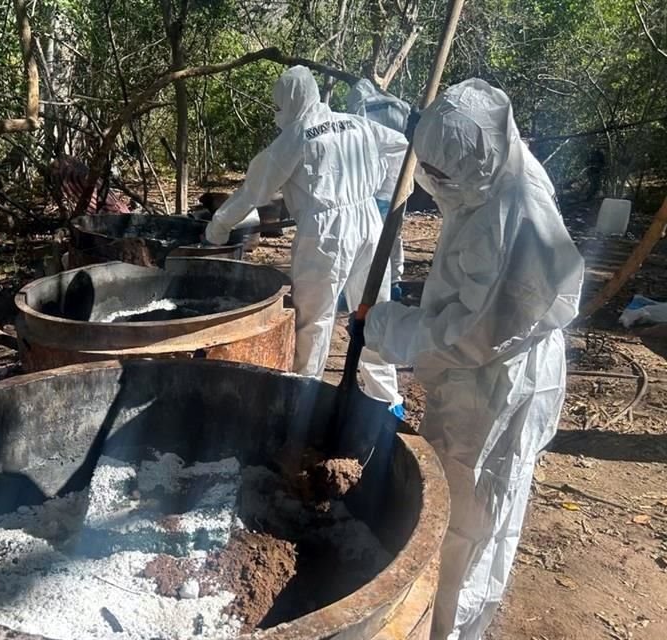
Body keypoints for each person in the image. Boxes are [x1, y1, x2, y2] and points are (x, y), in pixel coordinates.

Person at [363, 79, 585, 640]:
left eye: (442, 174)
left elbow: (472, 335)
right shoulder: (494, 177)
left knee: (472, 512)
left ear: (475, 159)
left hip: (497, 381)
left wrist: (387, 325)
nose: (433, 184)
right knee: (473, 502)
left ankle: (448, 627)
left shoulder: (515, 216)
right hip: (488, 371)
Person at [204, 65, 409, 409]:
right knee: (375, 312)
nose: (278, 114)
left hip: (325, 234)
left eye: (279, 106)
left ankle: (305, 399)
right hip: (371, 223)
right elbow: (403, 146)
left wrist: (217, 228)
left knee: (315, 319)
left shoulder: (296, 136)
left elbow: (252, 190)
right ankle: (387, 399)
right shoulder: (357, 123)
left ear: (290, 100)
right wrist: (385, 191)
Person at [344, 78, 412, 295]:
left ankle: (369, 285)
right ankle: (394, 282)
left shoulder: (362, 110)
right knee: (393, 234)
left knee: (369, 235)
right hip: (402, 179)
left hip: (377, 184)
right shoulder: (399, 105)